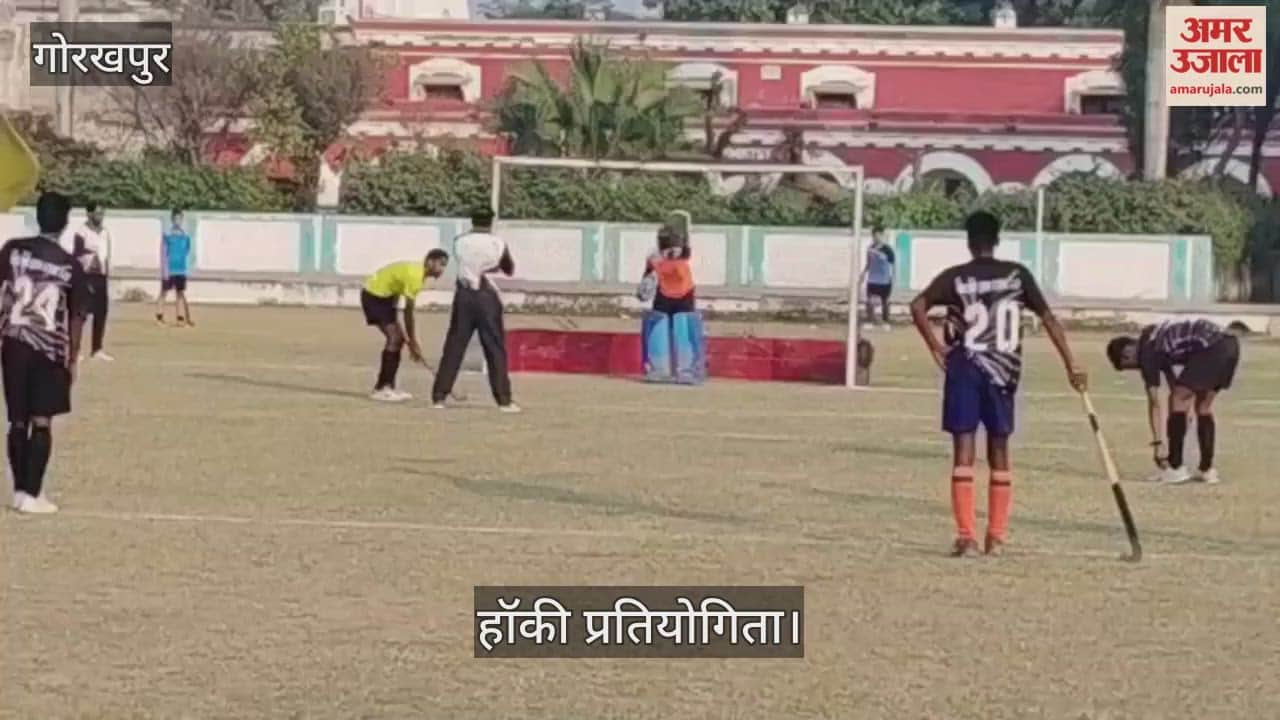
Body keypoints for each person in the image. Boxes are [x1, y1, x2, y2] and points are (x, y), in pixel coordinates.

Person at [910, 210, 1086, 558]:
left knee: (964, 447)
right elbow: (1048, 318)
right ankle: (997, 536)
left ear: (969, 241)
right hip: (1004, 371)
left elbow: (917, 305)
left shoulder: (955, 278)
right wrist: (1071, 362)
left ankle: (966, 536)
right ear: (998, 239)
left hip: (965, 367)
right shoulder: (1017, 276)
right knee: (1000, 449)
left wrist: (934, 346)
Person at [1, 191, 88, 514]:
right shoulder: (69, 265)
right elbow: (77, 315)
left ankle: (20, 490)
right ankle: (35, 493)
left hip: (12, 342)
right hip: (48, 349)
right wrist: (73, 355)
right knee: (42, 421)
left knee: (16, 420)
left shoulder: (12, 251)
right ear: (64, 222)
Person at [1105, 319, 1239, 485]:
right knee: (1203, 406)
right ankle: (1207, 470)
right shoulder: (1155, 338)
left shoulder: (1146, 352)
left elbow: (1155, 403)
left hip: (1211, 347)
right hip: (1230, 344)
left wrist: (1158, 443)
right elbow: (1174, 382)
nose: (1138, 369)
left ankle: (1175, 468)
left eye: (1129, 366)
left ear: (1127, 354)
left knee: (1177, 399)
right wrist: (1182, 419)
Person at [431, 208, 519, 413]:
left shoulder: (460, 241)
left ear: (472, 221)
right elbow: (509, 268)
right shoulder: (497, 243)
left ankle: (439, 396)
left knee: (454, 345)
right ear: (491, 222)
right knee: (494, 348)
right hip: (486, 297)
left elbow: (464, 262)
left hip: (464, 295)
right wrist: (492, 268)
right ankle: (503, 400)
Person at [361, 249, 450, 402]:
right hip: (374, 296)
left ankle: (387, 386)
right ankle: (382, 388)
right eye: (440, 264)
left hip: (387, 298)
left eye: (444, 266)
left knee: (398, 339)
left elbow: (396, 299)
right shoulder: (415, 276)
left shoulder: (417, 275)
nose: (442, 270)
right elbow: (408, 312)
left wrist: (409, 340)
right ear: (429, 261)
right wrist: (413, 341)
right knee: (395, 339)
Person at [68, 201, 113, 361]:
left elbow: (107, 254)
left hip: (101, 276)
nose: (100, 216)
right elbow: (77, 255)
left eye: (102, 213)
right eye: (97, 213)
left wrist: (107, 272)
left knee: (101, 312)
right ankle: (75, 350)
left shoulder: (105, 232)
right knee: (81, 314)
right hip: (86, 277)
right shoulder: (81, 232)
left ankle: (97, 348)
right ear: (89, 214)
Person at [641, 224, 695, 316]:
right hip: (664, 294)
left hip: (685, 294)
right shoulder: (654, 257)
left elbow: (686, 252)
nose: (673, 253)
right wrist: (644, 288)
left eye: (677, 250)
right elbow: (648, 271)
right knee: (660, 318)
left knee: (682, 321)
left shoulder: (684, 256)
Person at [157, 209, 193, 327]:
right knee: (164, 293)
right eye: (175, 218)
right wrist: (164, 270)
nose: (178, 221)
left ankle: (179, 318)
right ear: (172, 220)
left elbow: (187, 250)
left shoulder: (185, 236)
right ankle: (159, 317)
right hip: (169, 270)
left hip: (181, 270)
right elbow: (163, 253)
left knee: (179, 294)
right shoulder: (167, 235)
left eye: (180, 218)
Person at [861, 224, 895, 331]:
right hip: (872, 279)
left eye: (878, 235)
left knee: (885, 302)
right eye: (874, 236)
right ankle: (870, 321)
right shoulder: (870, 248)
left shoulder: (888, 249)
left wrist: (893, 278)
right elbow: (868, 263)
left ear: (882, 235)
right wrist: (863, 274)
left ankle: (886, 322)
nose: (876, 238)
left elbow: (893, 265)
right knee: (869, 301)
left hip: (884, 280)